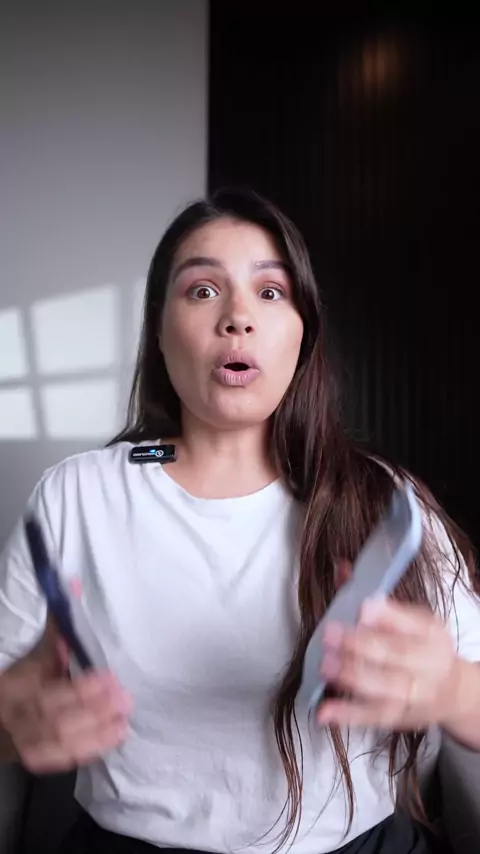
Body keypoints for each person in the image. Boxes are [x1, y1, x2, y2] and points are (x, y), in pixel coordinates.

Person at [0, 188, 479, 854]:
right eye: (202, 291)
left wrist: (452, 689)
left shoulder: (384, 502)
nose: (238, 318)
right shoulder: (73, 496)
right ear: (158, 332)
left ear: (303, 334)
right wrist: (10, 719)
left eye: (271, 292)